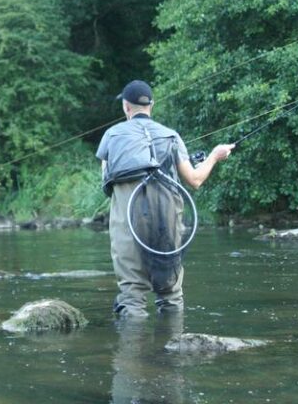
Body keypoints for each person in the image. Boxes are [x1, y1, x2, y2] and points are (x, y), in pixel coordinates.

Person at [96, 80, 234, 317]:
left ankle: (132, 350)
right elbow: (195, 180)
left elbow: (105, 181)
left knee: (132, 292)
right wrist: (213, 156)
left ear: (126, 107)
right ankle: (172, 349)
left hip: (127, 211)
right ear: (152, 105)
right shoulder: (171, 135)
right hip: (167, 210)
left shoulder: (111, 135)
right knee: (170, 291)